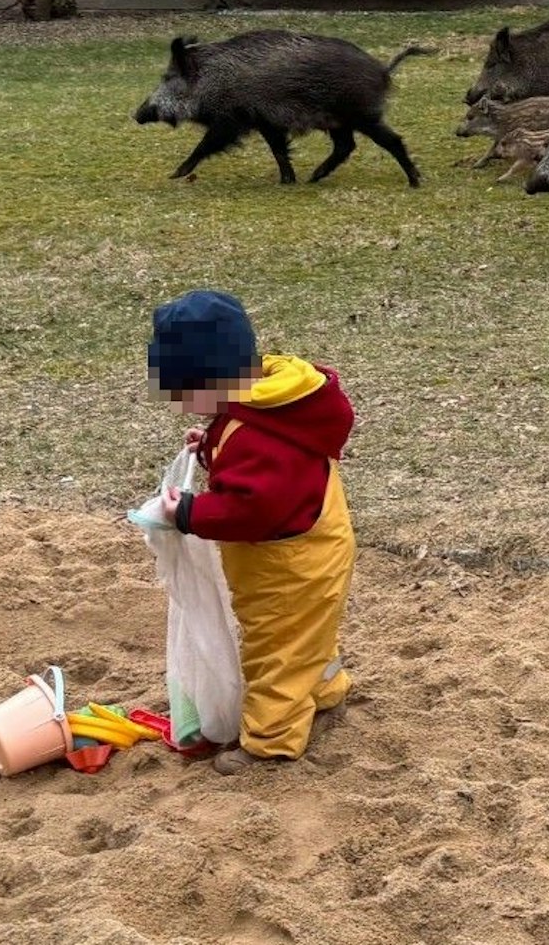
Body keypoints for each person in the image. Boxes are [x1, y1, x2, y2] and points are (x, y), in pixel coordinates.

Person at [147, 289, 356, 775]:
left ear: (215, 380)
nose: (178, 406)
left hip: (290, 566)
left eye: (182, 395)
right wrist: (211, 444)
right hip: (310, 550)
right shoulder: (265, 403)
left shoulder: (257, 434)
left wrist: (189, 514)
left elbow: (253, 508)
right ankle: (326, 689)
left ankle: (270, 743)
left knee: (276, 650)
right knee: (306, 638)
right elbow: (259, 462)